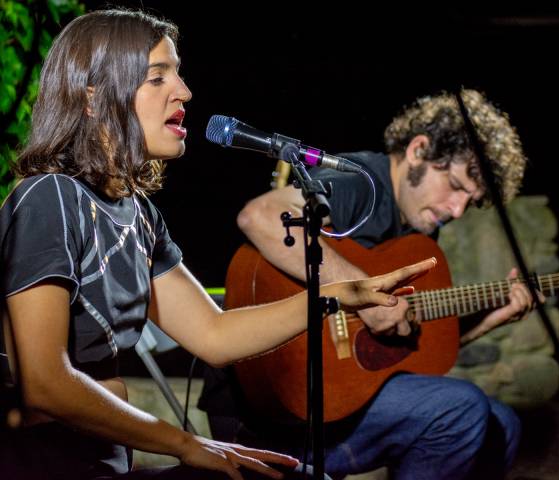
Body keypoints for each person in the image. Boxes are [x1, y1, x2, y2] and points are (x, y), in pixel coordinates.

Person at [0, 9, 436, 480]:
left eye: (179, 74)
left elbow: (215, 335)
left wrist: (333, 297)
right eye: (156, 78)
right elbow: (44, 383)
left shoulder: (140, 215)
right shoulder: (50, 198)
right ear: (93, 98)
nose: (184, 91)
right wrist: (185, 444)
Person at [199, 89, 538, 479]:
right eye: (456, 186)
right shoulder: (363, 182)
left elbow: (402, 355)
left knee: (501, 425)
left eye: (470, 201)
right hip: (265, 413)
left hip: (333, 408)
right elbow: (261, 216)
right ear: (418, 151)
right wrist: (365, 296)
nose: (457, 210)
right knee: (461, 408)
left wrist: (493, 319)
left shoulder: (416, 228)